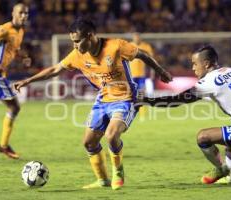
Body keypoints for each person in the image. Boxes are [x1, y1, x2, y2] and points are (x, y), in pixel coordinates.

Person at [14, 17, 172, 190]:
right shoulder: (77, 55)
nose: (75, 45)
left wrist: (160, 71)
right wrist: (28, 80)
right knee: (89, 142)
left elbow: (142, 54)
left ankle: (118, 172)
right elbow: (55, 70)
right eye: (72, 41)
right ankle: (102, 180)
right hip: (103, 99)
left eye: (77, 41)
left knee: (111, 135)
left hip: (126, 99)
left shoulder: (116, 46)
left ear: (89, 36)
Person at [140, 45, 231, 184]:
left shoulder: (208, 82)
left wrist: (148, 101)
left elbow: (178, 100)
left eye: (195, 63)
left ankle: (221, 169)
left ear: (206, 64)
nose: (193, 68)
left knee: (203, 137)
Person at [0, 3, 30, 159]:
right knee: (14, 106)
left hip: (1, 74)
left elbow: (14, 48)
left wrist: (23, 57)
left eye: (26, 13)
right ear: (13, 13)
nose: (24, 16)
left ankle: (3, 145)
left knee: (13, 107)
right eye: (20, 13)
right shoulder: (4, 29)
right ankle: (3, 145)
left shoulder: (20, 31)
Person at [129, 33, 154, 118]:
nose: (136, 39)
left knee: (141, 93)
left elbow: (152, 60)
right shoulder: (129, 46)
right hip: (131, 75)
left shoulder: (146, 46)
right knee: (131, 94)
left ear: (140, 38)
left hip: (141, 75)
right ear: (133, 38)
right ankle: (130, 111)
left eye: (138, 37)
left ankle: (142, 113)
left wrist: (152, 71)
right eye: (135, 37)